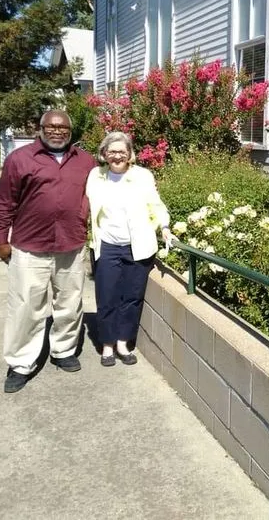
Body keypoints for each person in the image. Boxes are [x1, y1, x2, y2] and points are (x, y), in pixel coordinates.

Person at [0, 110, 97, 393]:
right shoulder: (20, 159)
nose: (57, 131)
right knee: (26, 306)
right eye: (50, 126)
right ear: (41, 128)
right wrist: (1, 238)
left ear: (70, 131)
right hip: (30, 246)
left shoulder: (86, 162)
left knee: (70, 302)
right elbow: (3, 202)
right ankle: (21, 362)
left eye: (63, 127)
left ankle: (63, 350)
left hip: (71, 245)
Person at [86, 131, 171, 366]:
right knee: (106, 296)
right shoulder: (96, 176)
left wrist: (164, 225)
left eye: (121, 151)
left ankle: (123, 342)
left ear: (130, 154)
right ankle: (107, 345)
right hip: (107, 246)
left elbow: (156, 203)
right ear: (104, 154)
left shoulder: (142, 176)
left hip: (138, 246)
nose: (117, 156)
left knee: (132, 297)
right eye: (111, 151)